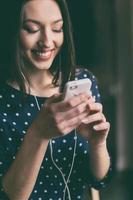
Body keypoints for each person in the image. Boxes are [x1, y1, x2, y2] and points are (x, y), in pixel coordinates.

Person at [0, 0, 112, 199]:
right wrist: (38, 135)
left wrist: (97, 143)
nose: (47, 41)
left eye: (57, 28)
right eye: (32, 29)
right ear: (11, 29)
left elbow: (98, 180)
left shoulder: (83, 80)